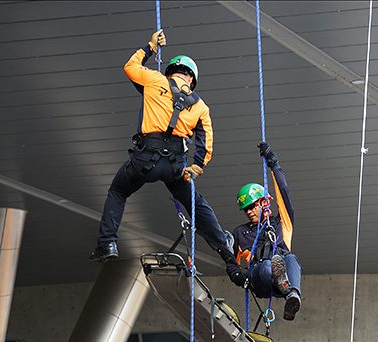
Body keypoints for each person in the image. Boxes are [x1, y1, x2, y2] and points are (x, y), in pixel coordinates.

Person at [89, 28, 236, 274]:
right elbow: (206, 142)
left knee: (118, 191)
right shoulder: (200, 106)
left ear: (171, 72)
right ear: (191, 78)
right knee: (196, 204)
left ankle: (107, 243)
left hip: (144, 160)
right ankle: (224, 248)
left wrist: (150, 47)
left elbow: (130, 67)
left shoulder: (154, 80)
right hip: (174, 167)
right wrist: (197, 166)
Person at [227, 142, 303, 321]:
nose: (249, 212)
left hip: (281, 279)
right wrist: (241, 278)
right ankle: (283, 284)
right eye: (245, 209)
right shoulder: (240, 233)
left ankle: (292, 296)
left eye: (252, 206)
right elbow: (230, 262)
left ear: (264, 202)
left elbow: (284, 192)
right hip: (260, 278)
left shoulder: (281, 223)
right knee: (268, 265)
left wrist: (273, 163)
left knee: (291, 258)